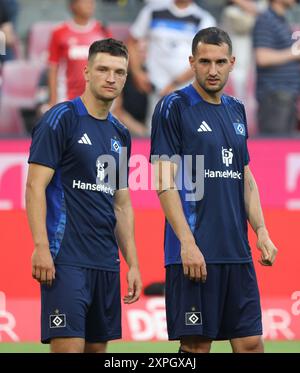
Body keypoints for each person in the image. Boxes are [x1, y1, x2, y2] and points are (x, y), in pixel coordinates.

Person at [150, 27, 278, 353]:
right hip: (195, 252)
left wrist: (261, 230)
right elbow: (164, 182)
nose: (213, 70)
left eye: (220, 61)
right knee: (196, 348)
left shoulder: (236, 109)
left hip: (237, 252)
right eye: (205, 61)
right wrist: (187, 243)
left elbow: (245, 177)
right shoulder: (173, 107)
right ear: (192, 62)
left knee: (250, 343)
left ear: (232, 62)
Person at [25, 38, 142, 353]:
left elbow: (120, 202)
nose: (111, 78)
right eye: (103, 69)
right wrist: (40, 248)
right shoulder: (60, 119)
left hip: (105, 263)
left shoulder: (120, 133)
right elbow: (35, 186)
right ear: (87, 72)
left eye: (119, 72)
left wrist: (132, 263)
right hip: (66, 261)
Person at [127, 0, 216, 130]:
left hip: (187, 93)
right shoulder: (153, 11)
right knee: (156, 135)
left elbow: (205, 58)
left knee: (186, 137)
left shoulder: (204, 19)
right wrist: (137, 73)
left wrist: (174, 84)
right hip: (155, 90)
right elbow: (132, 42)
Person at [48, 0, 111, 107]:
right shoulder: (59, 32)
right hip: (68, 100)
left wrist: (116, 100)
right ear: (73, 5)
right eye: (85, 1)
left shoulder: (102, 31)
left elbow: (113, 66)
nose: (90, 4)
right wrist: (53, 100)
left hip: (98, 100)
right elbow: (53, 68)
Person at [253, 0, 300, 135]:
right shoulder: (266, 19)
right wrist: (294, 53)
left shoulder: (280, 20)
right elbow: (262, 57)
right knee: (273, 148)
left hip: (286, 97)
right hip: (274, 97)